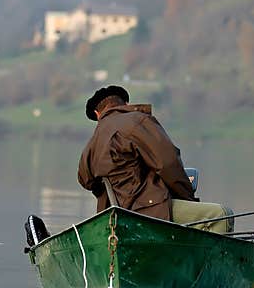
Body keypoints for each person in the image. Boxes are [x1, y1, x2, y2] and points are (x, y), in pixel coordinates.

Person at [77, 85, 231, 234]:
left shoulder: (90, 146)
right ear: (126, 104)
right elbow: (168, 164)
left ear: (98, 114)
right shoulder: (137, 121)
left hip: (114, 220)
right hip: (149, 210)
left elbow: (85, 180)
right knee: (221, 215)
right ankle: (203, 260)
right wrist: (188, 198)